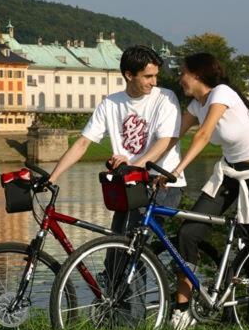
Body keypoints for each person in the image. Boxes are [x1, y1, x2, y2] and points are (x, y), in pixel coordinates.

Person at [167, 53, 249, 330]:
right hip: (229, 173)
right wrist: (143, 164)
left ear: (196, 75)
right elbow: (173, 136)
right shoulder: (196, 104)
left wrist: (178, 169)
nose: (179, 78)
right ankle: (183, 311)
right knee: (189, 231)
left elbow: (204, 135)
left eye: (182, 72)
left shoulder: (222, 93)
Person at [48, 45, 186, 235]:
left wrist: (133, 166)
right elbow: (82, 143)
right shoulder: (110, 103)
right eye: (148, 76)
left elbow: (165, 142)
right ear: (129, 75)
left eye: (156, 75)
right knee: (115, 252)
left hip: (161, 182)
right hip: (129, 182)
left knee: (133, 248)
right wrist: (51, 178)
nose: (154, 82)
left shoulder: (165, 98)